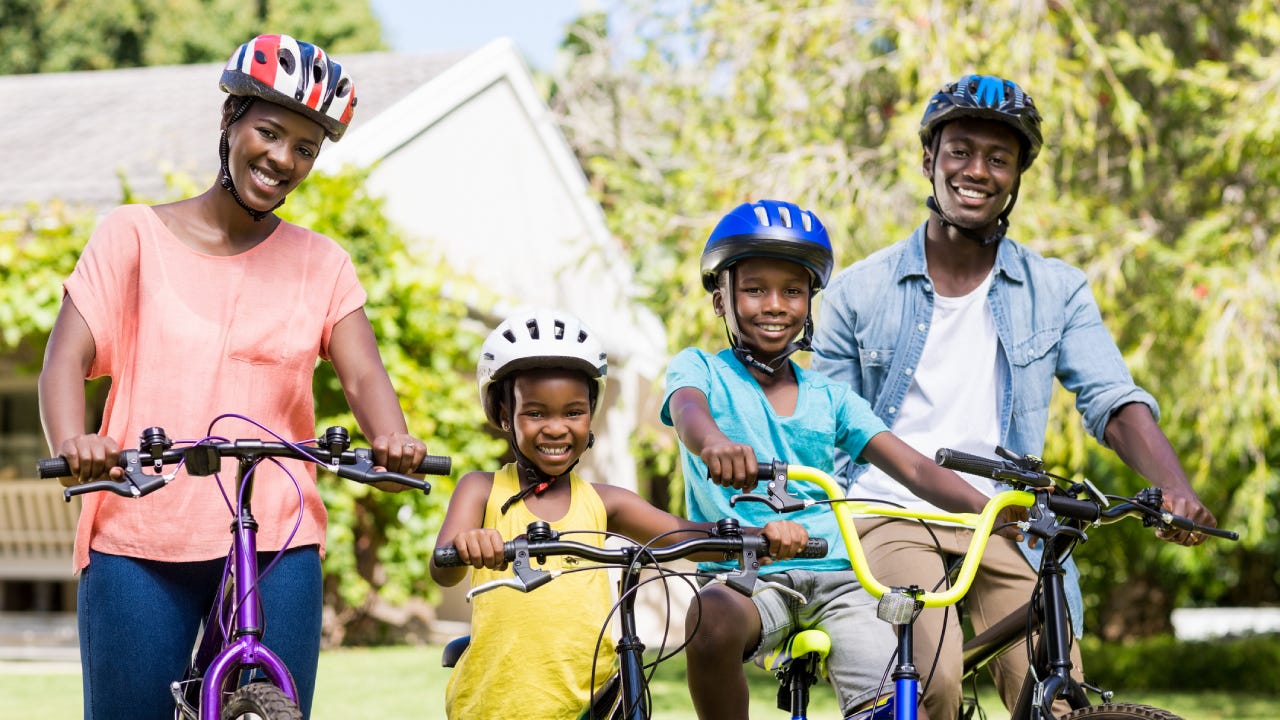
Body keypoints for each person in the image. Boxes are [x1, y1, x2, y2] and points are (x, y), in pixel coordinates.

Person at [37, 34, 426, 720]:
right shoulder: (132, 237)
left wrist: (392, 441)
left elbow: (366, 378)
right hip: (139, 530)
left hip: (275, 537)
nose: (283, 159)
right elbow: (63, 359)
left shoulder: (323, 264)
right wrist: (75, 442)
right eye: (269, 132)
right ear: (230, 122)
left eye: (305, 148)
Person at [810, 74, 1219, 720]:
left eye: (999, 158)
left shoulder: (1056, 290)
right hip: (891, 513)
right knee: (933, 685)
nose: (979, 171)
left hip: (1006, 519)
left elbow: (1112, 399)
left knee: (1055, 690)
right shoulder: (861, 292)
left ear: (1017, 176)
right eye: (961, 151)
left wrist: (1172, 487)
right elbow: (824, 425)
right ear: (929, 161)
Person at [662, 199, 1021, 720]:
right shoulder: (700, 370)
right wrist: (713, 442)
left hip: (840, 576)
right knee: (710, 621)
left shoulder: (830, 398)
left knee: (902, 703)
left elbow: (916, 469)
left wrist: (990, 509)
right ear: (721, 299)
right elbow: (689, 411)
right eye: (755, 288)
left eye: (792, 291)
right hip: (745, 571)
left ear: (810, 302)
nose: (775, 305)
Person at [430, 308, 808, 720]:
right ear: (505, 416)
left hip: (595, 701)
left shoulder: (605, 501)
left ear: (590, 415)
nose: (557, 428)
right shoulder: (481, 490)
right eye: (536, 413)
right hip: (497, 704)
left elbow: (683, 535)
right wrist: (469, 545)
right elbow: (443, 566)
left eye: (573, 412)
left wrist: (760, 538)